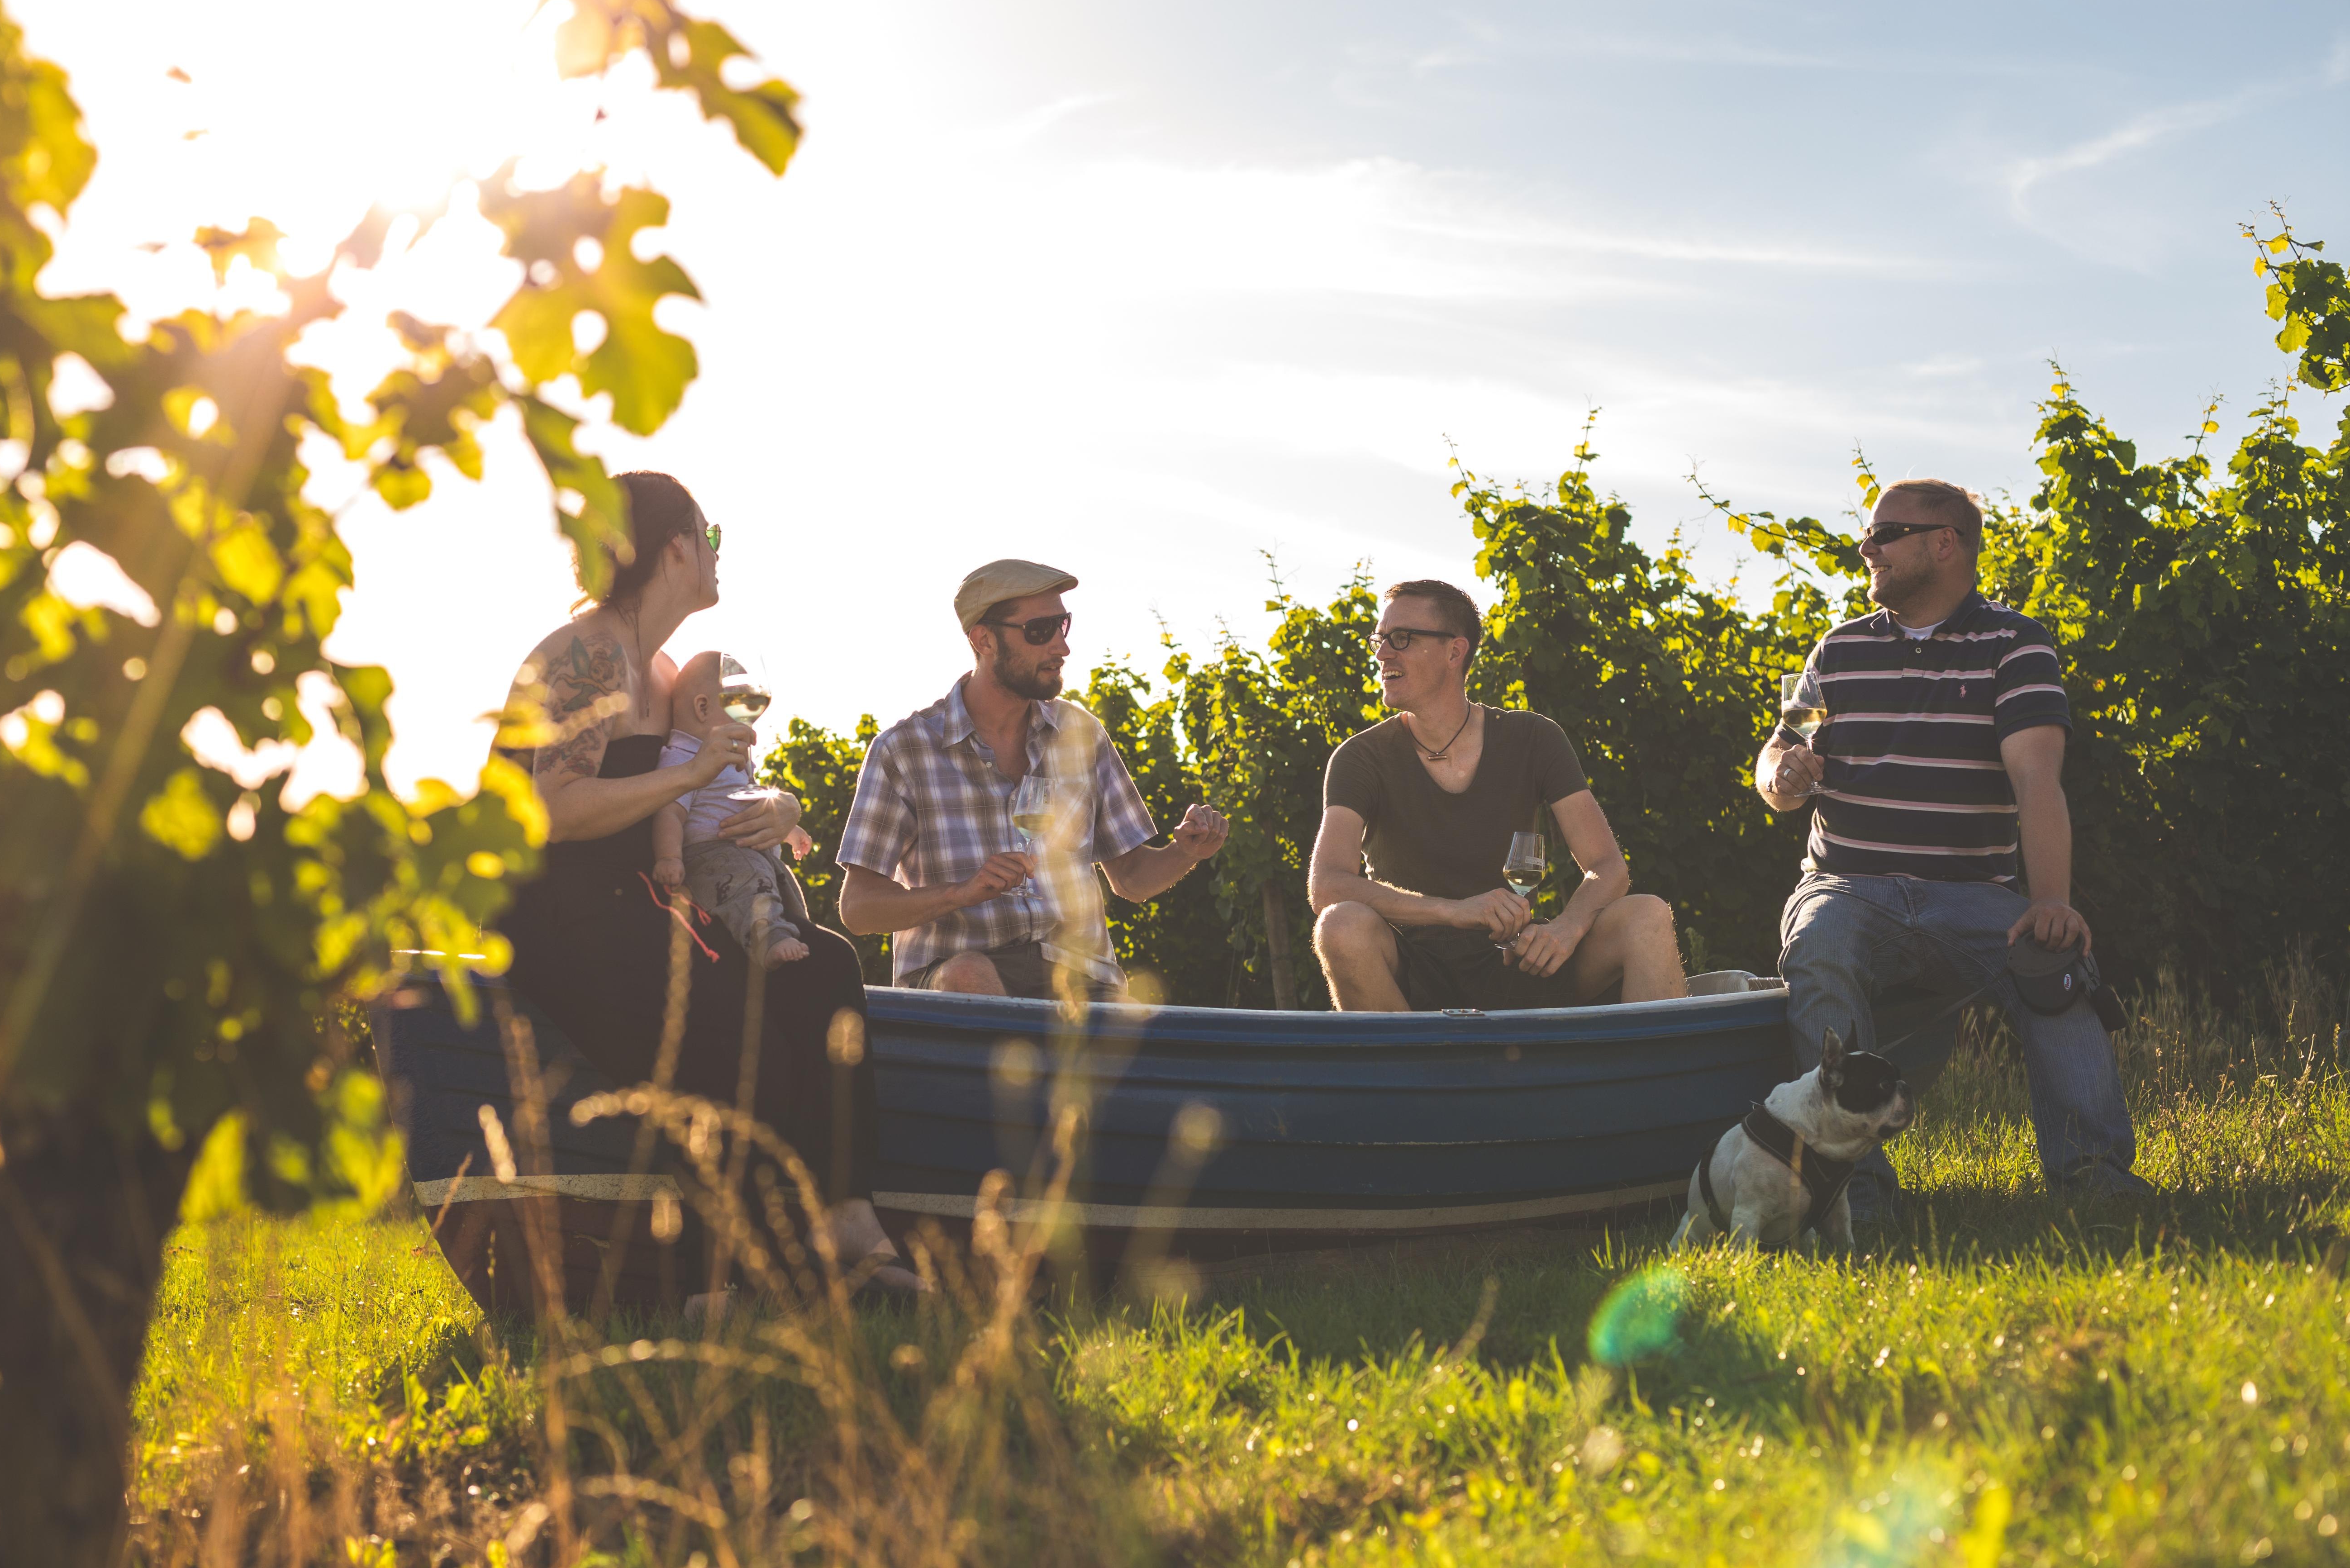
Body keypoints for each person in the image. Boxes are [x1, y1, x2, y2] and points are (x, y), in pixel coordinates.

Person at [489, 470, 916, 1299]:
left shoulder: (663, 669)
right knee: (732, 1022)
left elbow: (701, 786)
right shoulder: (585, 655)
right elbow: (553, 811)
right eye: (709, 535)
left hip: (638, 896)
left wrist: (779, 805)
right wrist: (684, 783)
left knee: (826, 966)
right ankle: (720, 1283)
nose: (718, 553)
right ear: (673, 548)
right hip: (553, 907)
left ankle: (851, 1228)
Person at [1756, 477, 2151, 1221]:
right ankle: (1852, 1194)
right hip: (1847, 886)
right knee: (1818, 948)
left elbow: (2037, 780)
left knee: (2058, 966)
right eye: (1868, 536)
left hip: (1973, 895)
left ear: (1945, 543)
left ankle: (2095, 1180)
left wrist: (2052, 903)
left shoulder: (2014, 642)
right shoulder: (1838, 650)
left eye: (1885, 534)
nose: (1867, 548)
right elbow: (1777, 756)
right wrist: (1781, 773)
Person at [837, 559, 1230, 1002]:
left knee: (1140, 1019)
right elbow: (859, 909)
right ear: (984, 640)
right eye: (1040, 630)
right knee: (968, 975)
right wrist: (961, 894)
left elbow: (1133, 879)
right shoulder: (904, 751)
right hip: (958, 978)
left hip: (1080, 978)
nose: (1062, 647)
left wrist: (1186, 852)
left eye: (1063, 625)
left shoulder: (1082, 736)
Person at [1309, 579, 1688, 1012]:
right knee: (1340, 924)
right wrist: (1455, 911)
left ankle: (1658, 1059)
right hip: (1414, 972)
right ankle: (1418, 1057)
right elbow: (1327, 886)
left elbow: (1608, 867)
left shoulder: (1534, 738)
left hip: (1518, 960)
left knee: (1647, 915)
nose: (1382, 654)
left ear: (1455, 652)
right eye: (1381, 639)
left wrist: (1567, 928)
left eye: (1402, 639)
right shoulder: (1359, 758)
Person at [651, 650, 817, 967]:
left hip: (748, 856)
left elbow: (755, 804)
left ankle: (790, 932)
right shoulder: (683, 757)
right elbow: (669, 812)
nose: (750, 725)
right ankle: (768, 940)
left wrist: (788, 831)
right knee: (751, 887)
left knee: (783, 888)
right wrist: (669, 857)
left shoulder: (729, 756)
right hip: (712, 856)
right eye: (741, 711)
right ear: (703, 708)